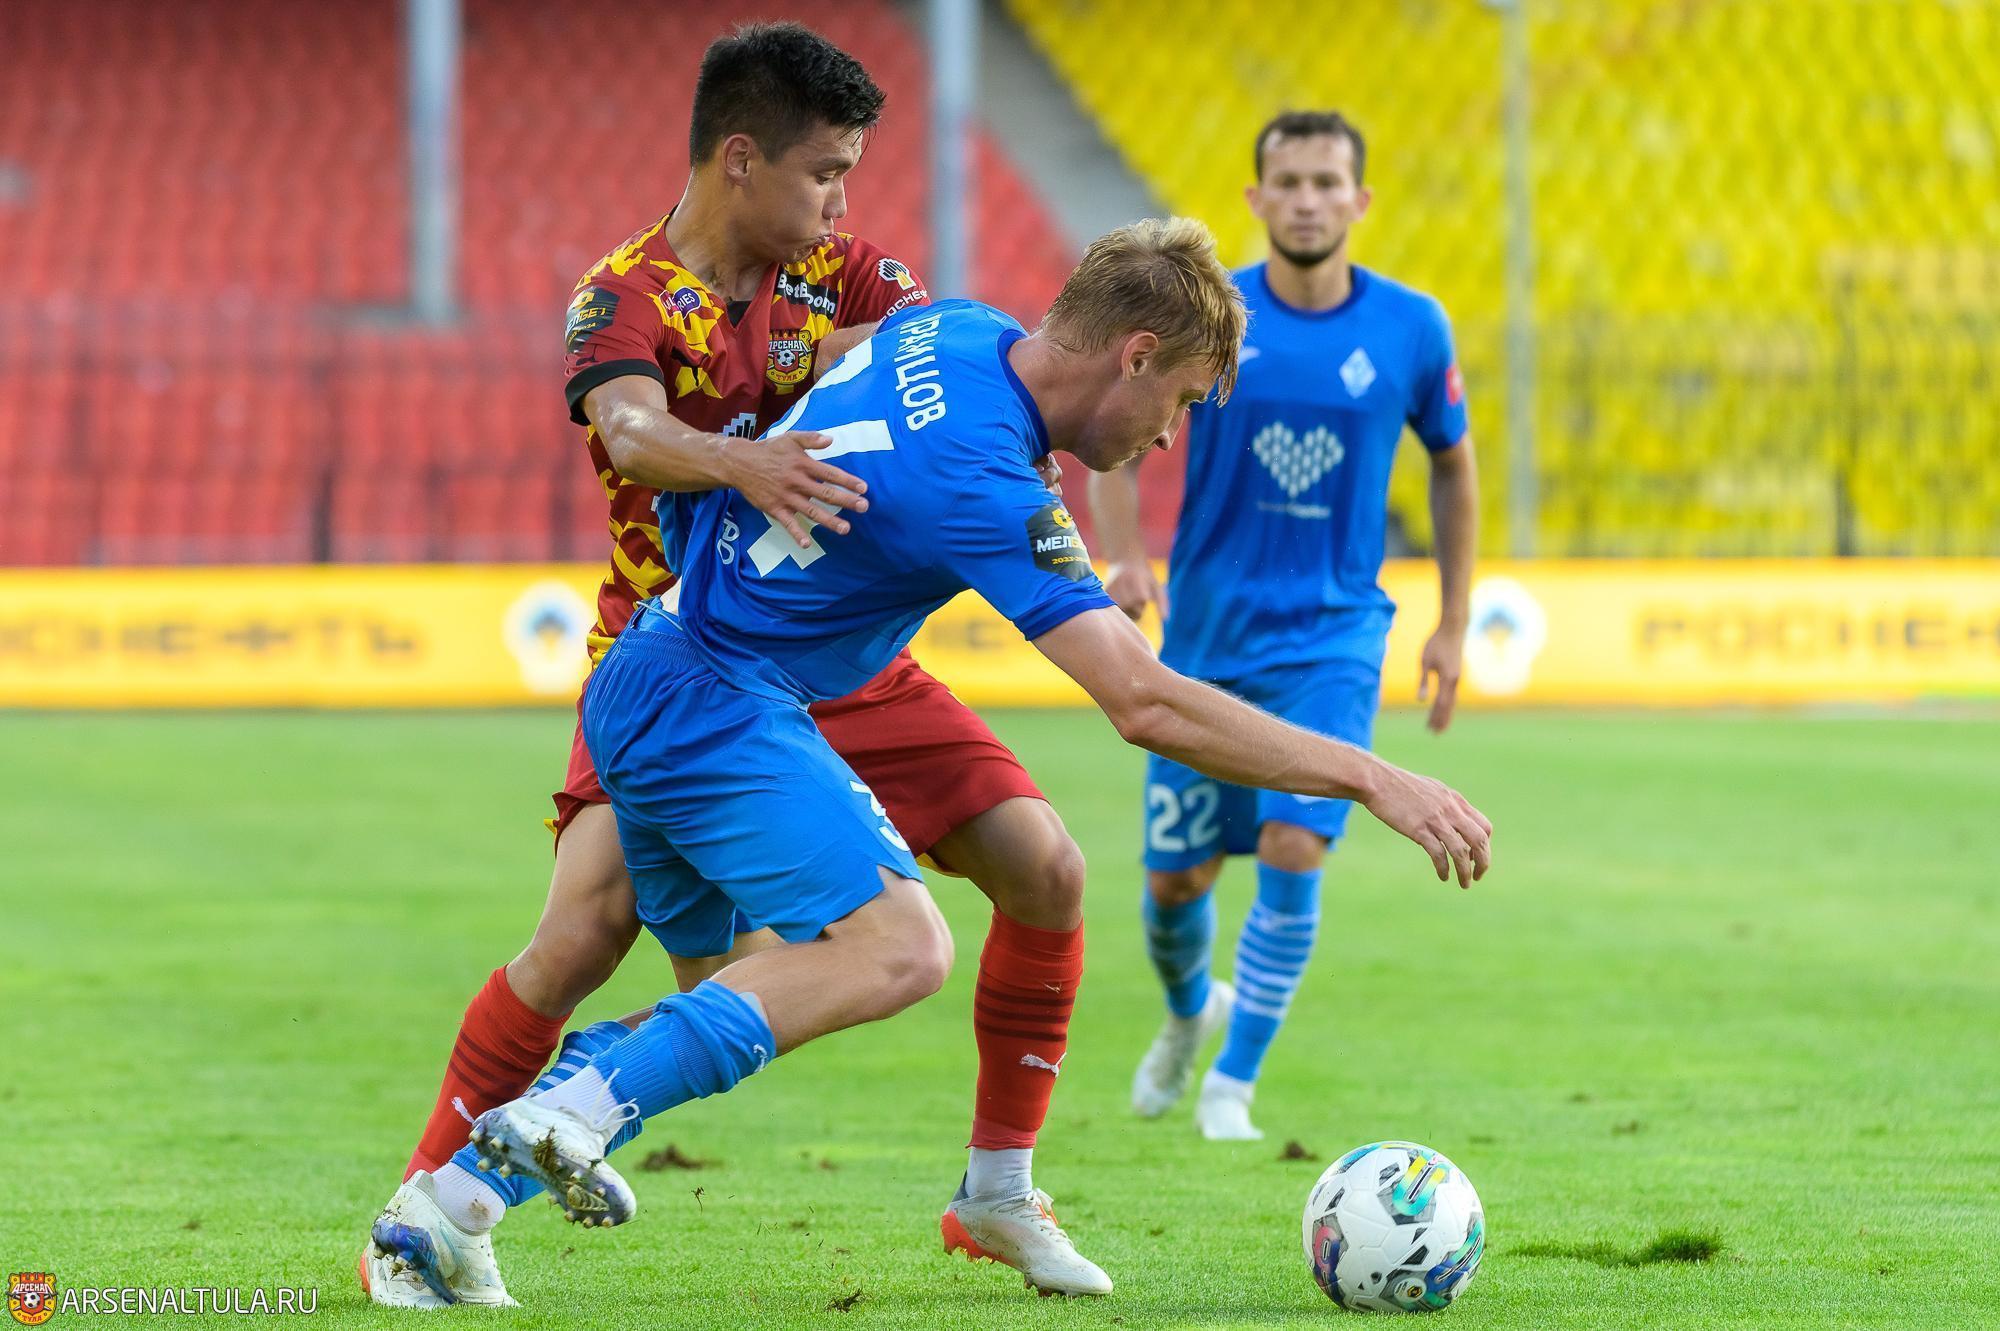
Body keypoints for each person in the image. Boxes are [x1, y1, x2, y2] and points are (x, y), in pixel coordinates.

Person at [449, 217, 1491, 1304]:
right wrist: (1373, 775)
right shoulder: (984, 471)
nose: (1170, 436)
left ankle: (456, 1205)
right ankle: (569, 1107)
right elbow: (1141, 700)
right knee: (895, 948)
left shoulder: (958, 327)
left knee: (1033, 872)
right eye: (1181, 401)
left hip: (746, 662)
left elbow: (829, 365)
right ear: (1134, 355)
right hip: (710, 689)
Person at [363, 22, 1104, 1307]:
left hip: (839, 652)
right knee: (592, 937)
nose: (842, 204)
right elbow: (631, 431)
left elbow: (933, 382)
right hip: (682, 648)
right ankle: (421, 1209)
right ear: (742, 159)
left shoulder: (844, 272)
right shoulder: (623, 296)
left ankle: (996, 1190)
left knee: (1043, 865)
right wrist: (744, 460)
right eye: (826, 173)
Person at [1088, 111, 1480, 1142]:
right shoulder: (1209, 318)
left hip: (1333, 638)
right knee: (1176, 882)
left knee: (1295, 841)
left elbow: (1451, 462)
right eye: (1289, 182)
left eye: (1326, 182)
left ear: (1359, 200)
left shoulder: (1412, 327)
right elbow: (1109, 433)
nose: (1307, 200)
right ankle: (1189, 1012)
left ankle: (1234, 1082)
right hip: (1206, 640)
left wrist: (1452, 619)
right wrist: (1122, 557)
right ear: (1256, 200)